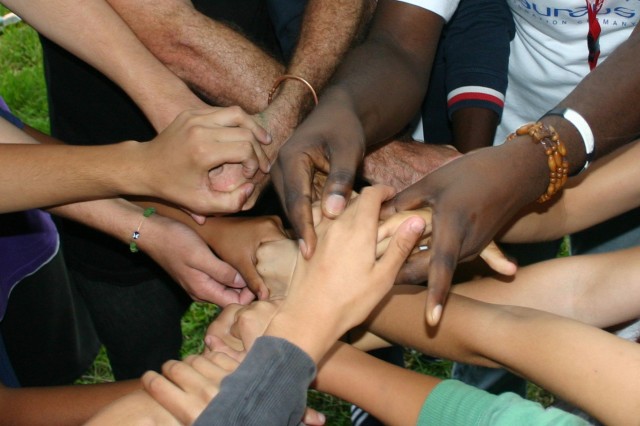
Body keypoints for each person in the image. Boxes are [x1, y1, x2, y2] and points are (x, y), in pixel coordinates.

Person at [37, 0, 376, 380]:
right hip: (104, 152)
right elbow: (22, 160)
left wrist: (169, 102)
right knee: (139, 346)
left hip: (270, 121)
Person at [271, 0, 640, 326]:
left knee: (619, 311)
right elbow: (400, 42)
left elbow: (587, 294)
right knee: (505, 281)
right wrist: (346, 103)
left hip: (619, 157)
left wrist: (533, 160)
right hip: (513, 141)